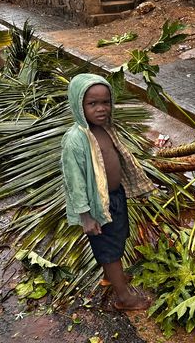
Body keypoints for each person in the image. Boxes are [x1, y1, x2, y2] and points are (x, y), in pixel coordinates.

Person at [61, 73, 153, 311]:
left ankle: (111, 277)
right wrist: (86, 215)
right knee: (109, 249)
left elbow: (121, 158)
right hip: (96, 206)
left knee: (118, 238)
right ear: (78, 105)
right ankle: (124, 298)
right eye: (92, 104)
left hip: (115, 197)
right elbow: (75, 181)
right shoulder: (75, 140)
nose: (101, 109)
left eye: (105, 102)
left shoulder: (105, 128)